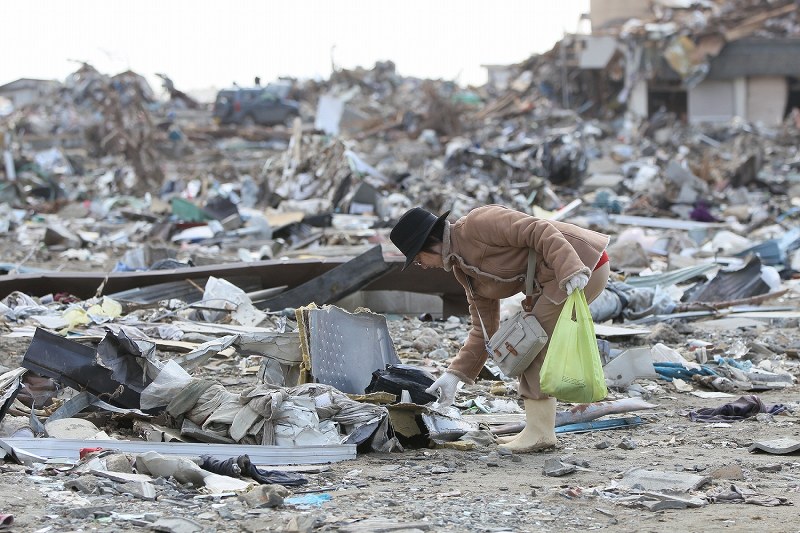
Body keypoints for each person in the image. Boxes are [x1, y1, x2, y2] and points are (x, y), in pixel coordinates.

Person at [389, 204, 610, 453]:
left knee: (531, 344)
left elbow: (538, 229)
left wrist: (570, 269)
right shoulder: (464, 271)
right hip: (555, 280)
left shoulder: (479, 223)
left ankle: (540, 433)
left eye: (418, 259)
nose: (423, 266)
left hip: (581, 266)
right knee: (526, 343)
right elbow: (485, 328)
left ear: (430, 241)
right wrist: (455, 375)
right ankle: (536, 430)